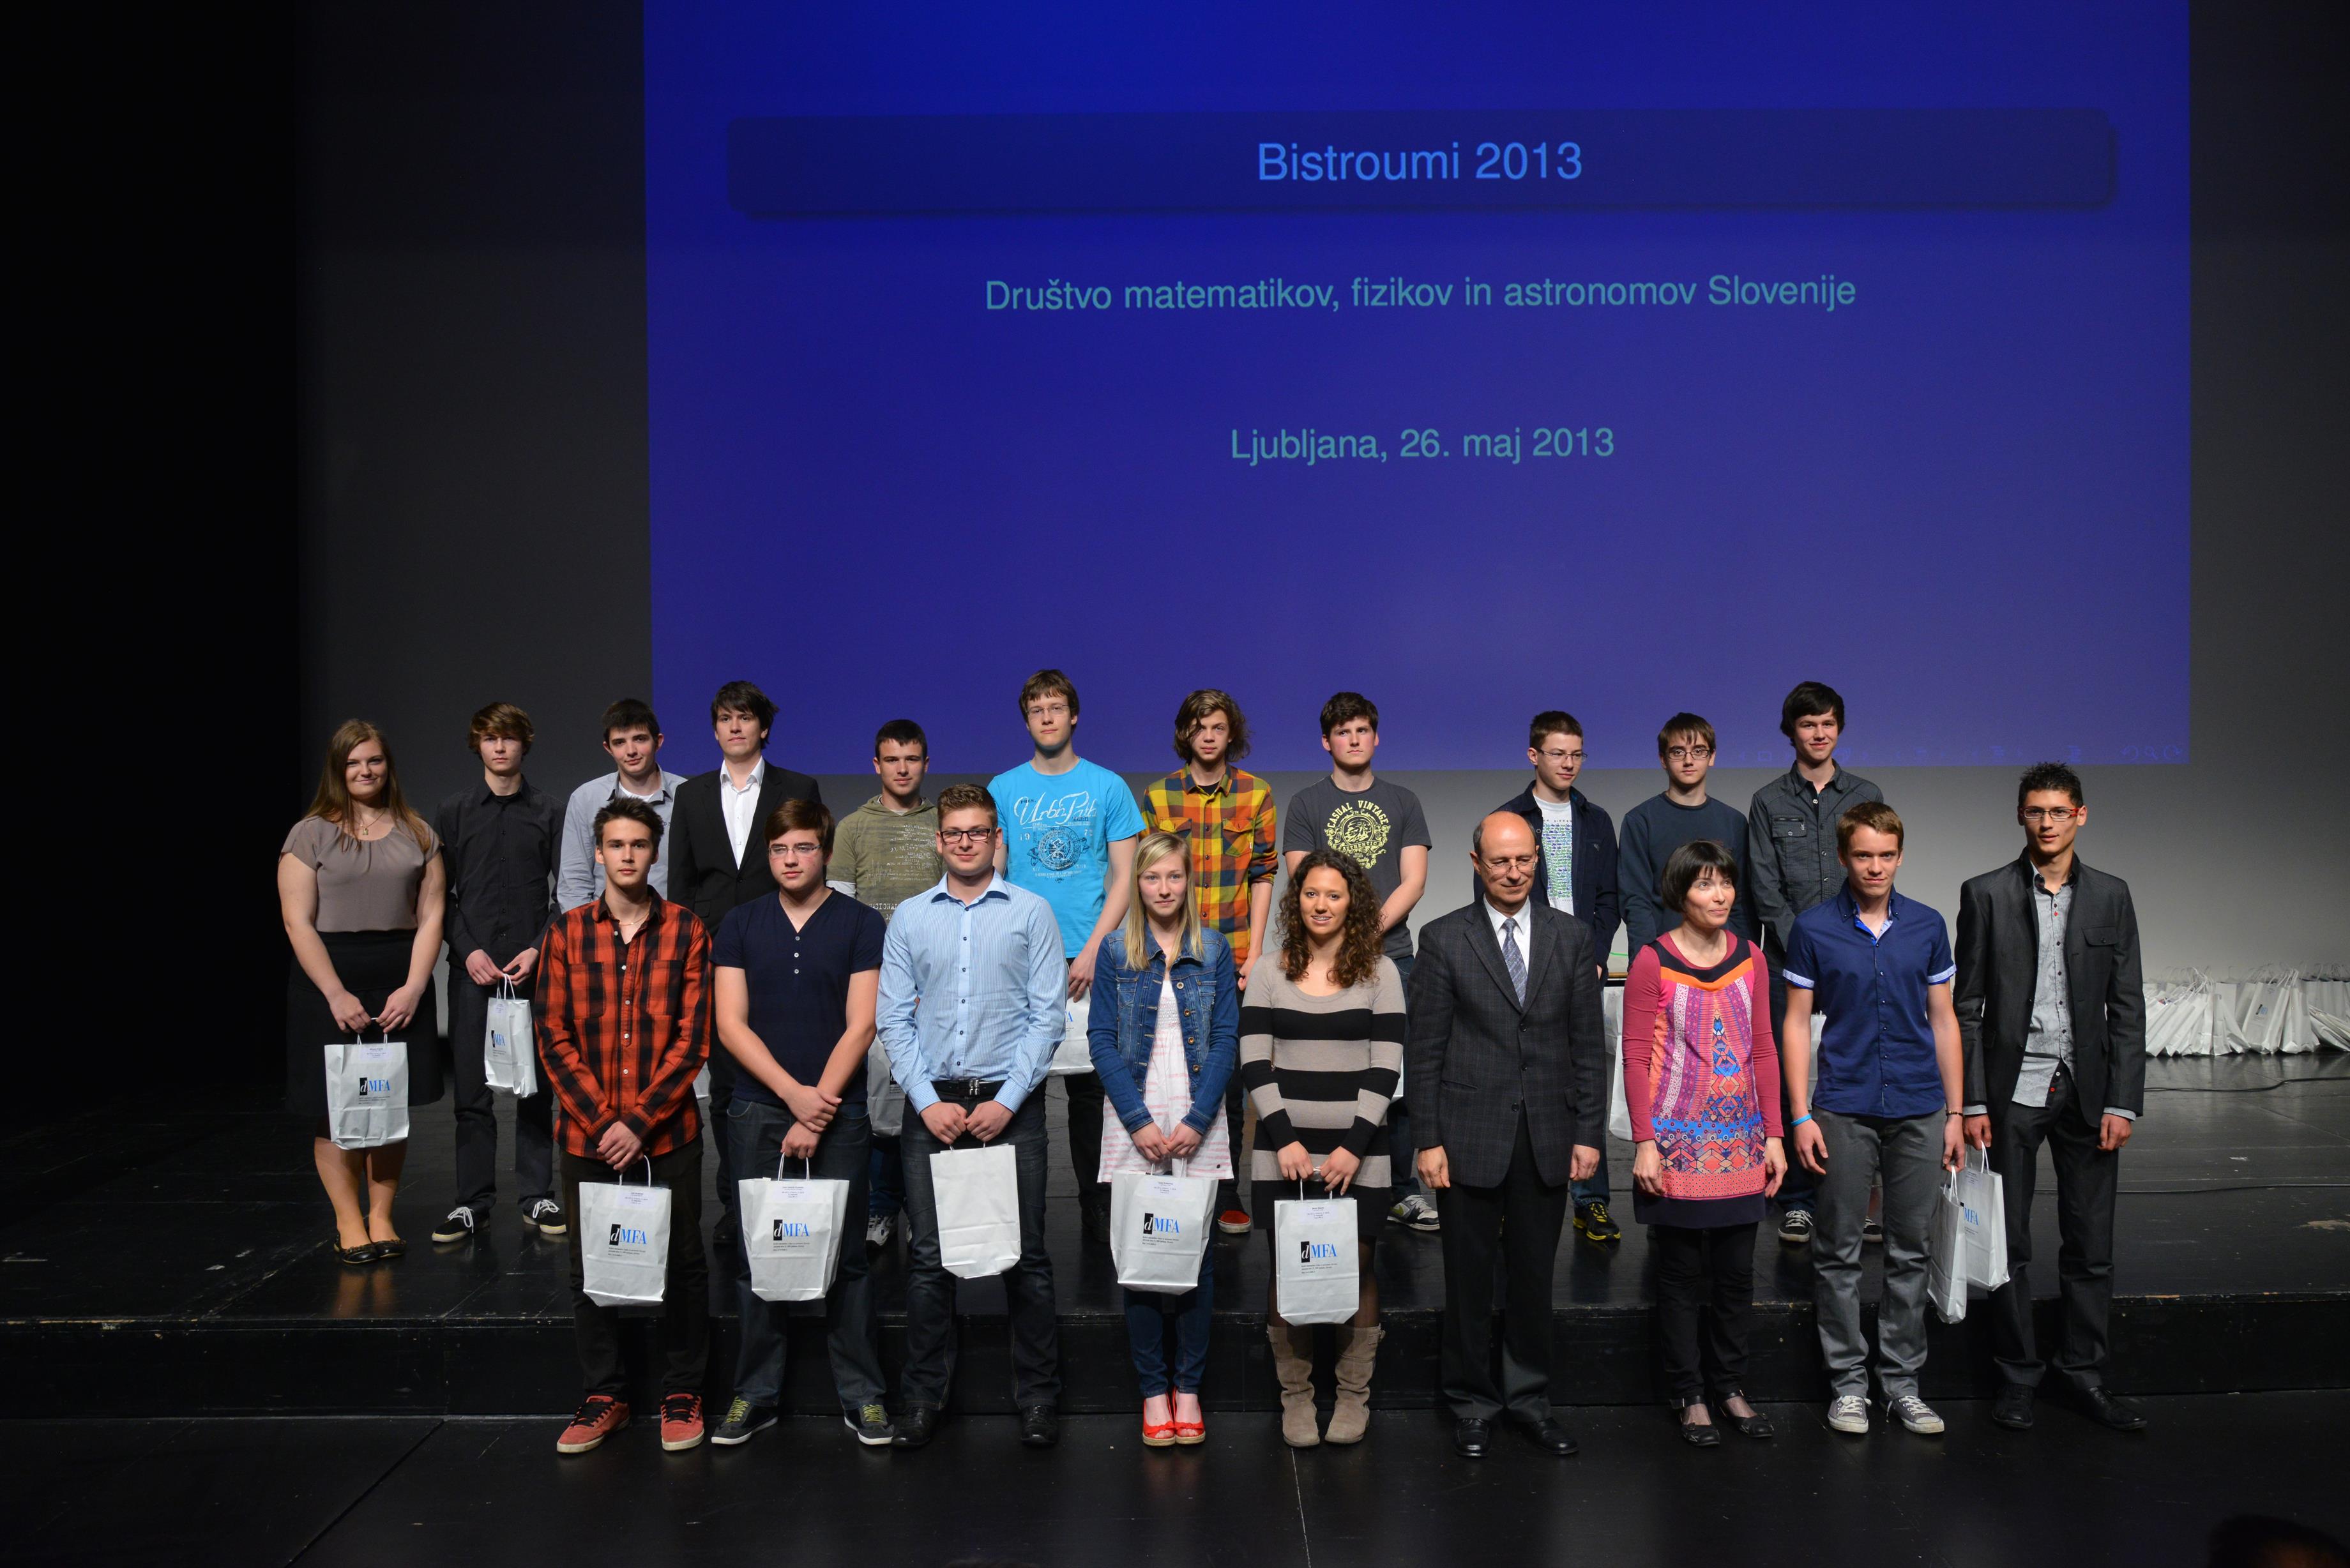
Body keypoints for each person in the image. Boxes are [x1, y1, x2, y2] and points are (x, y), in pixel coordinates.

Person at [1956, 762, 2150, 1433]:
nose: (2047, 823)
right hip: (2012, 1089)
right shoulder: (1985, 893)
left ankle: (2083, 1374)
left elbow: (2127, 1005)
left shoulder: (2111, 895)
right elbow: (1967, 1007)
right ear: (2020, 815)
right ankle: (2017, 1375)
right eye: (2036, 811)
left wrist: (2122, 1101)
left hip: (2089, 1090)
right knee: (2008, 1241)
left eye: (2059, 811)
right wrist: (1972, 1100)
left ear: (2080, 815)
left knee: (2090, 1242)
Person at [1407, 814, 1605, 1460]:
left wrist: (1588, 1133)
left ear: (1537, 860)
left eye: (1523, 859)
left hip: (1548, 1130)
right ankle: (1471, 1403)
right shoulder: (1443, 938)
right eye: (1500, 861)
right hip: (1466, 1134)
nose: (1514, 872)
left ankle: (1529, 1401)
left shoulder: (1571, 937)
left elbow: (1587, 1045)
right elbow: (1425, 1047)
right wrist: (1427, 1138)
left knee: (1533, 1279)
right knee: (1467, 1280)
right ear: (1476, 863)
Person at [879, 783, 1068, 1450]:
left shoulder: (1032, 912)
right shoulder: (909, 918)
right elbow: (892, 1018)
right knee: (929, 1258)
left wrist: (1006, 1101)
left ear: (996, 839)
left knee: (1026, 1254)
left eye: (977, 832)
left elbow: (1048, 1016)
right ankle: (922, 1398)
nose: (965, 842)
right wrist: (926, 1100)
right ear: (938, 840)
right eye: (954, 832)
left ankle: (1038, 1397)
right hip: (930, 1106)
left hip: (1009, 1105)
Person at [711, 799, 893, 1448]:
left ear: (826, 852)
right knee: (757, 1254)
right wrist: (794, 1097)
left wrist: (818, 1108)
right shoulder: (740, 922)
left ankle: (864, 1395)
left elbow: (862, 1024)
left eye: (804, 847)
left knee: (848, 1256)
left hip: (839, 1111)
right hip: (758, 1109)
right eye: (780, 849)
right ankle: (754, 1394)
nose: (791, 860)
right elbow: (730, 1023)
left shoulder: (860, 922)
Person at [534, 799, 714, 1456]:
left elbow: (693, 1038)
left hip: (667, 1131)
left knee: (683, 1261)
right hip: (589, 1133)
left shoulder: (687, 929)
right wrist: (604, 1121)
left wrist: (637, 1122)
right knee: (591, 1264)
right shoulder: (566, 932)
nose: (628, 855)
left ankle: (683, 1390)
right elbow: (552, 1035)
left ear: (654, 851)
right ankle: (603, 1393)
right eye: (616, 844)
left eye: (639, 844)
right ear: (599, 853)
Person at [1781, 801, 1965, 1438]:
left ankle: (1902, 1385)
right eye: (1863, 855)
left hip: (1919, 1105)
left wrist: (1955, 1112)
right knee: (1837, 1251)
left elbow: (1943, 1020)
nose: (1875, 866)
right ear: (1842, 857)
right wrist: (1799, 1114)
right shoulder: (1814, 928)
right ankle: (1848, 1386)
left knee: (1911, 1250)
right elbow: (1795, 1023)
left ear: (1900, 856)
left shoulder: (1927, 924)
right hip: (1843, 1106)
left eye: (1886, 855)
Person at [1623, 841, 1785, 1446]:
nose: (1719, 896)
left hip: (1741, 1143)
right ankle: (1690, 1393)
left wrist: (1774, 1134)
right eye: (1704, 885)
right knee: (1680, 1275)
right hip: (1677, 1145)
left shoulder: (1751, 957)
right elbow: (1634, 1057)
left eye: (1725, 884)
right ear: (1680, 893)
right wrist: (1645, 1142)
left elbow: (1764, 1048)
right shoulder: (1652, 961)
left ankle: (1730, 1387)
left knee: (1737, 1276)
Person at [1243, 850, 1405, 1448]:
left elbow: (1386, 1066)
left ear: (1352, 903)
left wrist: (1353, 1148)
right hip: (1282, 1150)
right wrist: (1284, 1139)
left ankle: (1354, 1396)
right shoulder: (1269, 969)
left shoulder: (1381, 972)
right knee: (1288, 1270)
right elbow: (1254, 1061)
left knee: (1356, 1269)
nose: (1321, 904)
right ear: (1297, 900)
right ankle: (1297, 1398)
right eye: (1311, 893)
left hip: (1359, 1152)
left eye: (1334, 895)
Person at [1087, 831, 1239, 1447]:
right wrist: (1139, 1121)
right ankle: (1154, 1391)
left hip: (1197, 1115)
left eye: (1174, 876)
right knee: (1142, 1258)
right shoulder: (1114, 952)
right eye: (1152, 877)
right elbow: (1100, 1040)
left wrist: (1198, 1120)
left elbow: (1226, 1039)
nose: (1164, 888)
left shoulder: (1215, 948)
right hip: (1137, 1118)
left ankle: (1189, 1388)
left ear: (1188, 881)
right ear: (1137, 884)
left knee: (1198, 1260)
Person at [278, 720, 447, 1265]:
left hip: (399, 979)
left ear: (387, 765)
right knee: (338, 1109)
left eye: (373, 760)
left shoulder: (418, 833)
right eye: (353, 762)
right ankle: (349, 1222)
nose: (365, 770)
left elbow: (432, 916)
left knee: (387, 1104)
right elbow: (298, 922)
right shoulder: (309, 834)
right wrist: (335, 993)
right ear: (338, 769)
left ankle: (382, 1217)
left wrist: (414, 988)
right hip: (330, 978)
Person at [989, 669, 1144, 1244]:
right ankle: (1019, 1212)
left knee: (1091, 1093)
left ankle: (1096, 1206)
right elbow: (993, 876)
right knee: (1020, 1088)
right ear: (1026, 720)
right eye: (1037, 710)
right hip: (1022, 960)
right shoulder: (1003, 788)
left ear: (1073, 715)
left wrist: (1096, 949)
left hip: (1088, 958)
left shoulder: (1108, 787)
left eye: (1056, 708)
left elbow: (1125, 877)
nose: (1048, 718)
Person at [667, 680, 823, 1249]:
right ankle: (737, 1204)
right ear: (715, 730)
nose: (735, 727)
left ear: (764, 727)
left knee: (788, 1070)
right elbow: (682, 884)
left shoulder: (797, 787)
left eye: (745, 718)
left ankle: (792, 1193)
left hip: (783, 946)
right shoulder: (691, 795)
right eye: (725, 719)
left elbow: (809, 867)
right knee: (729, 1085)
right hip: (714, 956)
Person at [1283, 692, 1432, 1229]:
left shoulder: (1403, 801)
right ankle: (1326, 1175)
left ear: (1376, 737)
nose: (1353, 739)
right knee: (1330, 1075)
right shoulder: (1306, 804)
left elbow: (1413, 881)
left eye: (1362, 730)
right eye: (1343, 732)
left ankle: (1401, 1190)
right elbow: (1304, 882)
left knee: (1398, 1080)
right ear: (1327, 742)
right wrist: (1342, 941)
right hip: (1322, 963)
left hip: (1393, 958)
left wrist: (1366, 934)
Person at [1745, 681, 1883, 1245]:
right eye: (1808, 724)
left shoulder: (1867, 794)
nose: (1819, 733)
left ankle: (1856, 1198)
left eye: (1827, 723)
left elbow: (1875, 875)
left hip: (1857, 959)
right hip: (1789, 962)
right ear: (1791, 732)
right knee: (1790, 1079)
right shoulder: (1768, 801)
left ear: (1839, 729)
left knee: (1857, 1072)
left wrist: (1843, 950)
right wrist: (1808, 949)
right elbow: (1764, 888)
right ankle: (1799, 1200)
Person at [1141, 688, 1276, 1239]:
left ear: (1231, 732)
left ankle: (1227, 1192)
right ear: (1185, 734)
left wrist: (1257, 952)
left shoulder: (1256, 792)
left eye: (1218, 726)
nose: (1209, 736)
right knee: (1165, 1070)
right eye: (1199, 727)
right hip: (1173, 955)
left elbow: (1263, 873)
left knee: (1229, 1079)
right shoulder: (1159, 795)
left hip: (1233, 954)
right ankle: (1166, 1185)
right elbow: (1150, 877)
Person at [1485, 709, 1622, 1244]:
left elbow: (1608, 899)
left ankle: (1591, 1200)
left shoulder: (1596, 820)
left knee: (1585, 1076)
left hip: (1582, 964)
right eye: (1558, 753)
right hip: (1526, 966)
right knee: (1518, 1078)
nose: (1569, 764)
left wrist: (1597, 954)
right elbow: (1492, 899)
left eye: (1577, 754)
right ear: (1534, 755)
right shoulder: (1508, 819)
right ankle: (1507, 1198)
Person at [430, 702, 564, 1246]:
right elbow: (439, 897)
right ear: (477, 745)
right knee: (471, 1093)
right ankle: (473, 1202)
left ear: (524, 743)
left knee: (535, 1089)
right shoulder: (454, 811)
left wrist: (538, 949)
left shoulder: (549, 811)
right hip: (473, 971)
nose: (501, 747)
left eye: (509, 737)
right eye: (490, 738)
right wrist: (468, 952)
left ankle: (536, 1196)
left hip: (532, 972)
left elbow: (567, 893)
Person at [825, 719, 943, 1252]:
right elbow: (843, 912)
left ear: (925, 764)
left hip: (936, 983)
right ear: (876, 765)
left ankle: (923, 1210)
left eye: (911, 759)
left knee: (928, 1097)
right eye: (892, 759)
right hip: (875, 982)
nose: (902, 768)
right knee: (880, 1104)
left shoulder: (943, 823)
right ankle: (880, 1209)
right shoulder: (852, 828)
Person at [556, 698, 687, 910]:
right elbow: (574, 882)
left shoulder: (686, 794)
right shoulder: (586, 798)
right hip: (602, 925)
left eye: (640, 739)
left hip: (671, 924)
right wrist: (587, 929)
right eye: (619, 742)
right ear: (608, 748)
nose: (631, 751)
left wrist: (682, 925)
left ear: (658, 741)